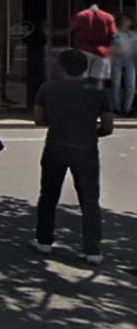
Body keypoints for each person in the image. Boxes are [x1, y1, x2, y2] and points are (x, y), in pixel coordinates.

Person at [31, 49, 114, 264]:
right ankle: (92, 249)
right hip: (86, 148)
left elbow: (39, 119)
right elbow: (107, 126)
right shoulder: (98, 91)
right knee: (89, 200)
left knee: (48, 195)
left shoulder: (48, 88)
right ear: (85, 68)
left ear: (61, 67)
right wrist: (91, 130)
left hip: (56, 145)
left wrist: (58, 122)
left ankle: (44, 240)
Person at [69, 0, 117, 88]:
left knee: (83, 78)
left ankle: (84, 98)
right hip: (102, 51)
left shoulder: (81, 16)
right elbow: (114, 35)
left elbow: (70, 30)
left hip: (85, 49)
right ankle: (96, 99)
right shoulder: (108, 17)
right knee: (99, 79)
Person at [110, 11, 136, 117]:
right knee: (116, 84)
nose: (125, 22)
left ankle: (127, 108)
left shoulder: (134, 34)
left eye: (127, 20)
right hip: (117, 60)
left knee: (131, 85)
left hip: (130, 60)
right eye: (123, 19)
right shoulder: (114, 33)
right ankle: (116, 107)